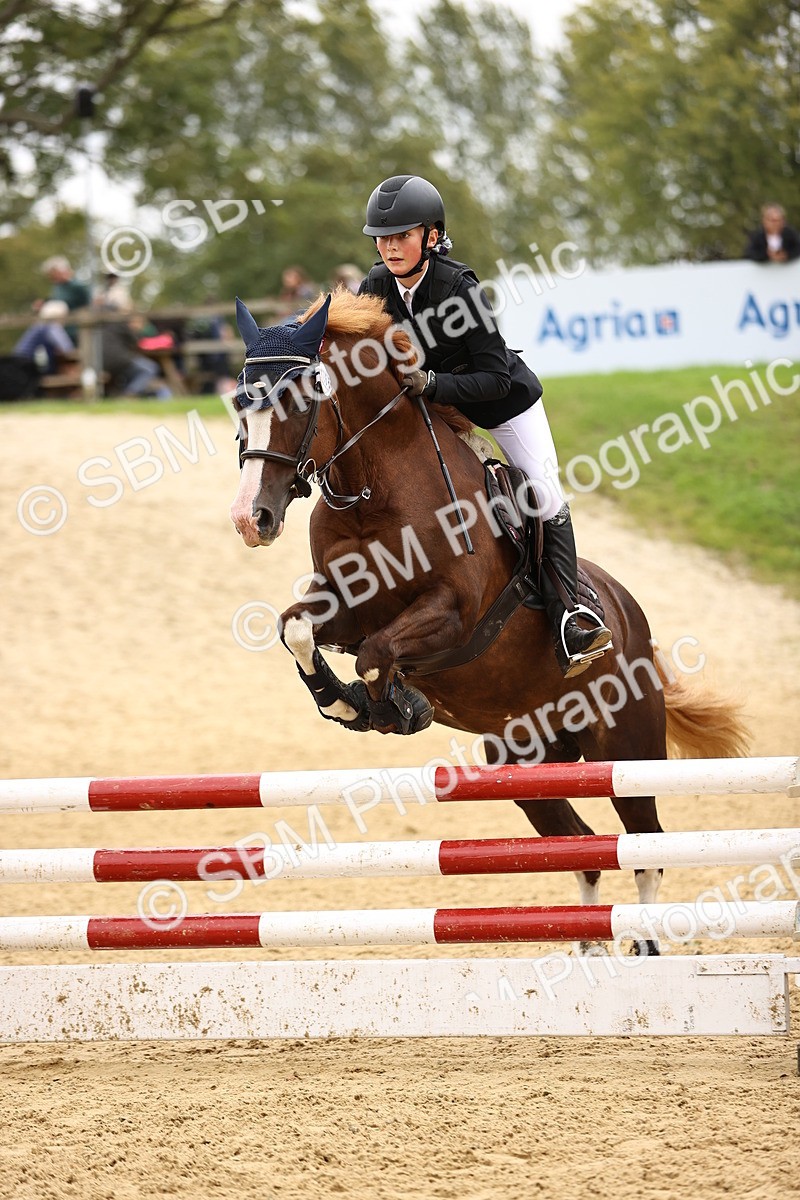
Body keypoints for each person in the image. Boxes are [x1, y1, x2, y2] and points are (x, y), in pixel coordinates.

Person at [359, 174, 611, 678]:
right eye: (383, 237)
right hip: (431, 410)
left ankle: (571, 617)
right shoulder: (376, 287)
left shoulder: (459, 288)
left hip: (501, 404)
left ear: (431, 236)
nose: (390, 246)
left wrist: (431, 385)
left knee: (542, 493)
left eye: (402, 235)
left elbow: (495, 377)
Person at [13, 300, 76, 375]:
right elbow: (67, 348)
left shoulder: (39, 326)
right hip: (28, 367)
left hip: (22, 365)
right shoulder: (50, 326)